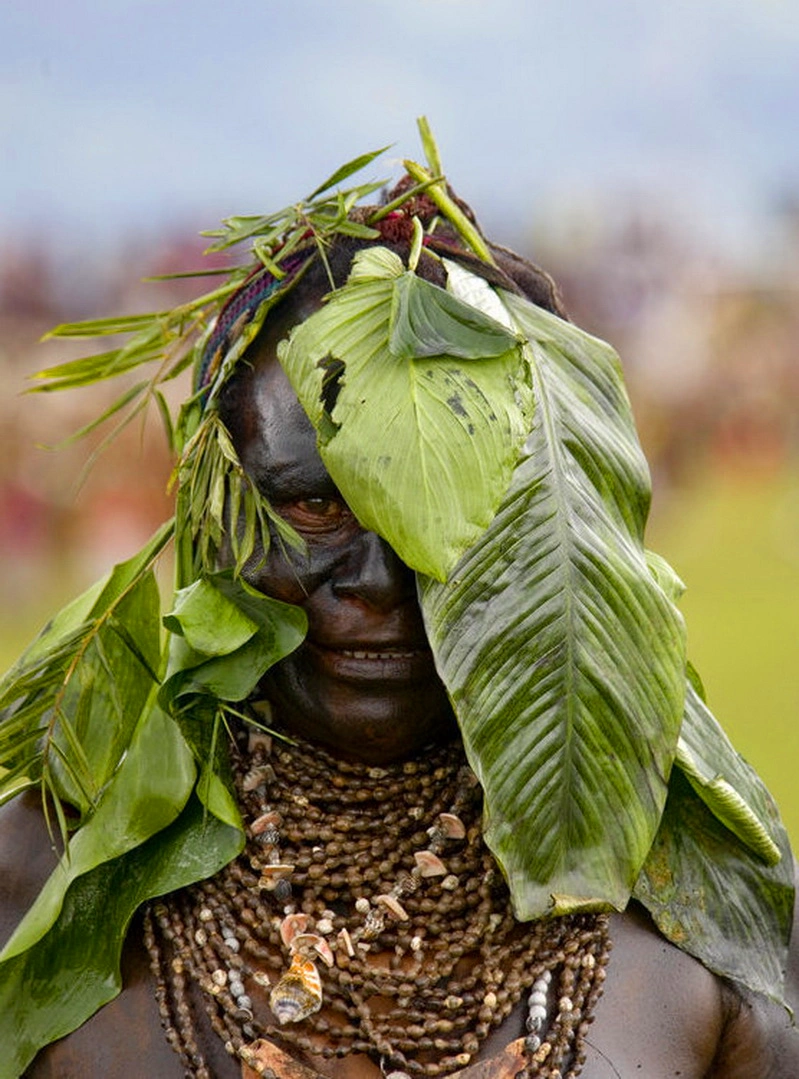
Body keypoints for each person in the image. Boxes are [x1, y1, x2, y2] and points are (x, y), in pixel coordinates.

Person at [1, 151, 798, 1079]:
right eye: (316, 506)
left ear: (552, 541)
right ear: (218, 521)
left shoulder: (704, 928)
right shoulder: (40, 885)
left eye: (441, 513)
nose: (380, 582)